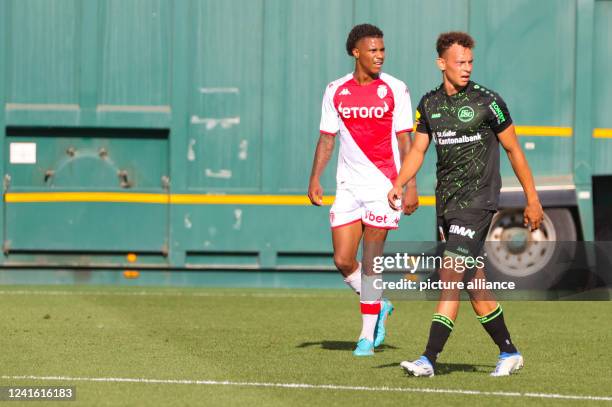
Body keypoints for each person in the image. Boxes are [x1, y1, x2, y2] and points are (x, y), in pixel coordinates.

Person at [387, 31, 544, 376]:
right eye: (460, 62)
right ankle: (509, 352)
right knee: (474, 282)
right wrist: (399, 182)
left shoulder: (489, 102)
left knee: (450, 274)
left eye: (470, 62)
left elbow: (514, 150)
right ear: (441, 63)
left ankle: (429, 357)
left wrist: (533, 199)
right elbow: (417, 150)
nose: (467, 68)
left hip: (479, 201)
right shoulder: (429, 104)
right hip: (447, 205)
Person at [308, 23, 418, 356]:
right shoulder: (335, 89)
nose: (380, 56)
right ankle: (380, 304)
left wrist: (409, 184)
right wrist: (315, 178)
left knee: (371, 261)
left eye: (382, 50)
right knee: (343, 260)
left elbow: (404, 139)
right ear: (356, 52)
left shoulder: (395, 88)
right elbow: (327, 137)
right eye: (373, 50)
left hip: (385, 187)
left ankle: (366, 337)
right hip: (348, 186)